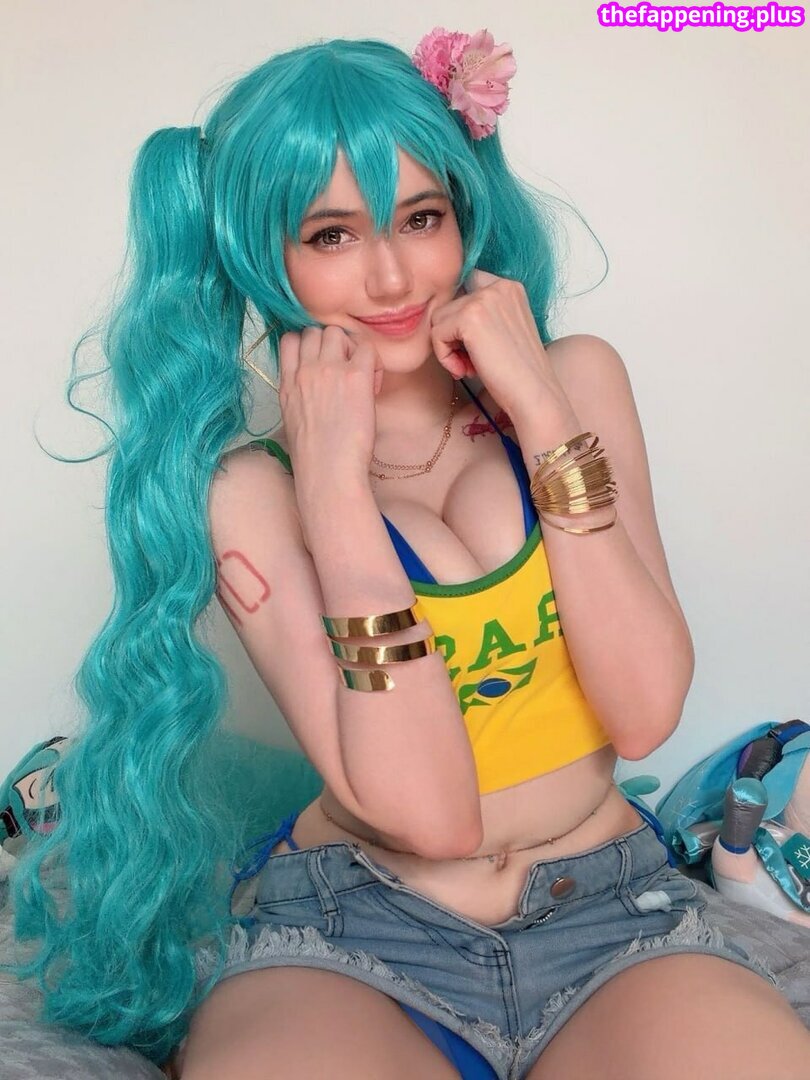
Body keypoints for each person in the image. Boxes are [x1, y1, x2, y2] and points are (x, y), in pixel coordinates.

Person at [6, 28, 808, 1080]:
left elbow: (645, 708)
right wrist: (336, 497)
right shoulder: (249, 490)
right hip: (355, 933)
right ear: (262, 255)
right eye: (331, 234)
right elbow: (428, 815)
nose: (391, 273)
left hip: (613, 913)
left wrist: (540, 411)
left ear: (466, 211)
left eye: (421, 218)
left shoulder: (577, 380)